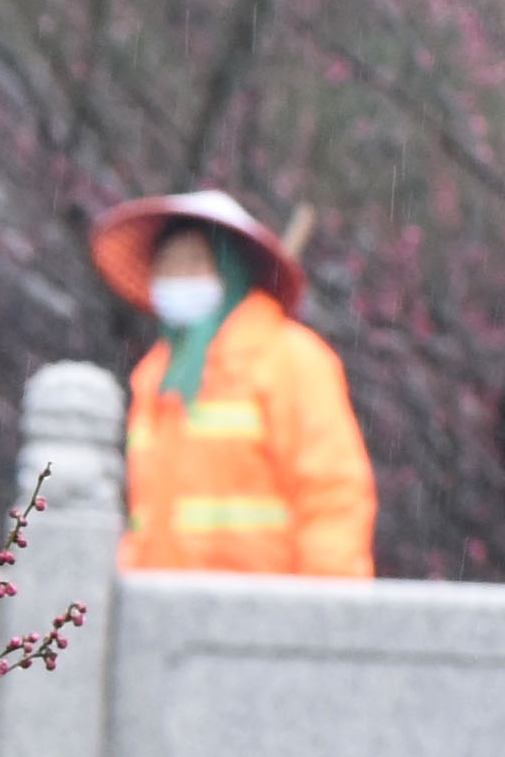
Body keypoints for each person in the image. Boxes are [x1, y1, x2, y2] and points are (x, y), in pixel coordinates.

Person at [90, 185, 374, 577]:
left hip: (260, 611)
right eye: (167, 266)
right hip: (161, 611)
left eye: (193, 263)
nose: (179, 279)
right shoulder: (155, 375)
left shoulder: (291, 359)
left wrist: (325, 614)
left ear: (229, 270)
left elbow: (333, 498)